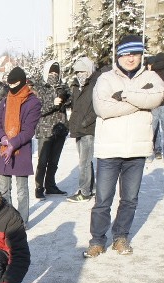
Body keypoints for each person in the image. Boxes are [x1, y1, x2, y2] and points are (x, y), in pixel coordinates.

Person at [83, 35, 164, 259]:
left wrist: (125, 96)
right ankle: (97, 240)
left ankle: (121, 237)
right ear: (119, 55)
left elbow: (156, 97)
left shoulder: (151, 76)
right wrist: (140, 102)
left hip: (137, 151)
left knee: (129, 200)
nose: (131, 58)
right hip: (110, 150)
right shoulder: (106, 79)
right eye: (127, 53)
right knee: (102, 201)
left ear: (141, 55)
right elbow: (103, 108)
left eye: (136, 53)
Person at [0, 67, 42, 222]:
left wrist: (13, 143)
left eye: (15, 84)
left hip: (20, 150)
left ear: (23, 82)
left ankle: (22, 221)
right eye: (9, 84)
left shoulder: (33, 103)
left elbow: (28, 130)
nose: (12, 88)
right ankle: (9, 221)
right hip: (3, 151)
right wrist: (3, 139)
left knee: (22, 191)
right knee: (4, 191)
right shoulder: (6, 101)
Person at [34, 60, 71, 199]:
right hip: (45, 129)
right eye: (51, 72)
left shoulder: (63, 86)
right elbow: (37, 110)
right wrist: (52, 104)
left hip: (60, 129)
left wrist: (66, 98)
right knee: (42, 161)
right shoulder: (40, 88)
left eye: (56, 72)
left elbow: (71, 101)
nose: (54, 75)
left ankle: (50, 185)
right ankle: (39, 187)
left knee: (54, 161)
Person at [66, 57, 99, 203]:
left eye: (83, 71)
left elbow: (96, 107)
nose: (80, 74)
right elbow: (74, 106)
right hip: (78, 127)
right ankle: (90, 188)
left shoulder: (95, 84)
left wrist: (86, 122)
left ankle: (84, 192)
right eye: (77, 71)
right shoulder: (76, 86)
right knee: (85, 160)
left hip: (88, 128)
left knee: (84, 161)